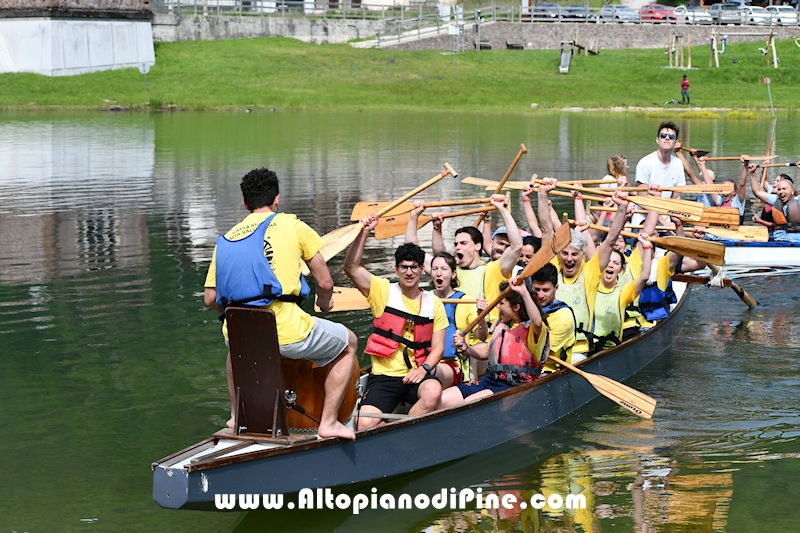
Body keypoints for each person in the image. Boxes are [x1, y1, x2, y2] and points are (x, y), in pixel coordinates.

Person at [204, 168, 358, 440]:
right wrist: (325, 303)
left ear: (245, 203)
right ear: (277, 199)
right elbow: (324, 283)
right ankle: (329, 422)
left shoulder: (226, 239)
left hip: (242, 335)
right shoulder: (293, 225)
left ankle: (236, 416)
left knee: (235, 348)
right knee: (348, 344)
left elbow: (210, 298)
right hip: (287, 331)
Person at [344, 214, 447, 429]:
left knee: (433, 393)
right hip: (384, 378)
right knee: (363, 423)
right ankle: (408, 427)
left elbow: (437, 348)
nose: (409, 272)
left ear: (422, 270)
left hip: (417, 375)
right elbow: (351, 268)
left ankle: (403, 428)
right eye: (404, 267)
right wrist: (364, 232)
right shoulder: (381, 291)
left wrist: (424, 369)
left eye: (413, 267)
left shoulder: (433, 303)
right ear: (396, 269)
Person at [537, 178, 630, 367]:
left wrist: (621, 209)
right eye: (565, 253)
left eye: (574, 254)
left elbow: (610, 240)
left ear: (582, 255)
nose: (569, 258)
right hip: (547, 348)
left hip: (578, 351)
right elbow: (546, 231)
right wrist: (542, 194)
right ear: (559, 254)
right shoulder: (553, 268)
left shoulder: (590, 273)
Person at [438, 278, 550, 408]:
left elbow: (537, 322)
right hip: (492, 380)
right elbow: (486, 352)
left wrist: (524, 292)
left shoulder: (533, 330)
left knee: (467, 404)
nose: (497, 306)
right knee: (443, 400)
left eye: (501, 303)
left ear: (516, 307)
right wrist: (466, 347)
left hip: (517, 386)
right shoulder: (504, 326)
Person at [586, 231, 653, 354]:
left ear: (621, 269)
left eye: (616, 263)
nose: (611, 265)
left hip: (611, 348)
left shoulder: (623, 293)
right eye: (608, 261)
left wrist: (647, 246)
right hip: (590, 348)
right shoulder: (590, 285)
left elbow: (644, 276)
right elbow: (589, 245)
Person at [429, 251, 488, 388]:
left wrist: (481, 317)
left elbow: (482, 335)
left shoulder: (465, 301)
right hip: (424, 359)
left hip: (453, 362)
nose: (439, 273)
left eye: (444, 269)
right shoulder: (424, 299)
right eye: (434, 269)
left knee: (427, 372)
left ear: (453, 274)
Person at [529, 263, 577, 370]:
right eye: (537, 289)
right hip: (523, 368)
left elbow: (538, 353)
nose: (540, 295)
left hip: (549, 372)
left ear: (556, 287)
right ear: (531, 285)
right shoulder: (527, 306)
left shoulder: (564, 317)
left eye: (545, 290)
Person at [635, 121, 686, 200]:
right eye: (663, 135)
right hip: (645, 210)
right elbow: (642, 197)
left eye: (671, 137)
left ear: (676, 142)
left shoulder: (678, 163)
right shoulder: (645, 163)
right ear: (657, 140)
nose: (667, 138)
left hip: (667, 208)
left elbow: (676, 197)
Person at [749, 172, 800, 242]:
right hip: (781, 239)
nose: (781, 191)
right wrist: (752, 173)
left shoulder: (798, 200)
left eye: (784, 189)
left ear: (792, 191)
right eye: (779, 189)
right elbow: (757, 192)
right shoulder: (776, 199)